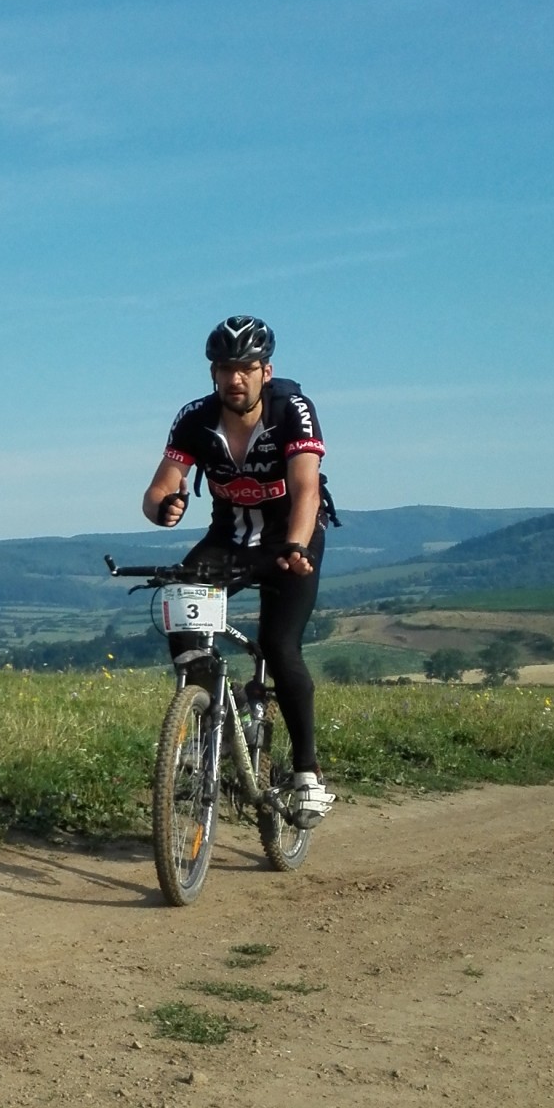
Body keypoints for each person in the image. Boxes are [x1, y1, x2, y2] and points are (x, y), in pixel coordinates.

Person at [139, 316, 336, 822]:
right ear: (214, 373)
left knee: (280, 646)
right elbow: (158, 488)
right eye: (226, 368)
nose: (235, 378)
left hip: (290, 536)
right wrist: (163, 507)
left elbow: (306, 489)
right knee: (182, 603)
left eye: (246, 368)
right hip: (227, 539)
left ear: (265, 371)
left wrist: (297, 545)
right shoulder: (195, 418)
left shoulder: (292, 410)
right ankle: (209, 720)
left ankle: (307, 774)